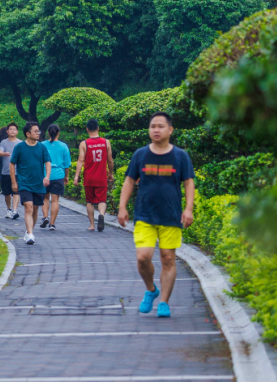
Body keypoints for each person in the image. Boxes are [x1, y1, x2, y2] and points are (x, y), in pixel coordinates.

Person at [117, 111, 195, 318]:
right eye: (153, 126)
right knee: (143, 257)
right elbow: (129, 181)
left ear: (170, 130)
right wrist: (122, 207)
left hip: (171, 215)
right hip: (145, 215)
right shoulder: (140, 155)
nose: (156, 130)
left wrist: (188, 209)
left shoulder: (180, 156)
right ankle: (151, 290)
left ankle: (164, 303)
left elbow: (188, 182)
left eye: (160, 126)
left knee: (168, 258)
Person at [10, 121, 51, 245]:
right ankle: (30, 234)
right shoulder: (20, 147)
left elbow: (47, 162)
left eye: (38, 131)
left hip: (38, 183)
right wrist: (14, 182)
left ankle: (29, 232)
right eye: (35, 131)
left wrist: (47, 177)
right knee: (28, 207)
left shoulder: (42, 147)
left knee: (35, 209)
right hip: (24, 183)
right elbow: (12, 164)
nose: (38, 133)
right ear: (28, 134)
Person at [75, 118, 114, 232]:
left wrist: (76, 176)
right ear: (98, 128)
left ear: (87, 129)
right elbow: (110, 160)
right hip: (101, 176)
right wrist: (111, 173)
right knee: (102, 200)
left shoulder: (84, 143)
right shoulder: (106, 142)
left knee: (90, 201)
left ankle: (92, 225)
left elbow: (81, 160)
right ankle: (101, 214)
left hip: (89, 177)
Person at [40, 124, 72, 230]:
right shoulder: (63, 146)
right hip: (58, 175)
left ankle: (45, 217)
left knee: (45, 198)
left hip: (44, 175)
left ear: (48, 133)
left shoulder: (42, 145)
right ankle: (52, 224)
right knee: (55, 200)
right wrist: (66, 176)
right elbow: (66, 164)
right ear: (58, 133)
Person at [0, 122, 21, 219]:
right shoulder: (3, 142)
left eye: (14, 129)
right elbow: (0, 152)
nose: (12, 131)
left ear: (17, 131)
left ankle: (15, 210)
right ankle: (9, 209)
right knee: (7, 193)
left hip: (17, 172)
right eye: (10, 129)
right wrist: (4, 154)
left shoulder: (20, 143)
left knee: (16, 192)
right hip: (6, 171)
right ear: (7, 131)